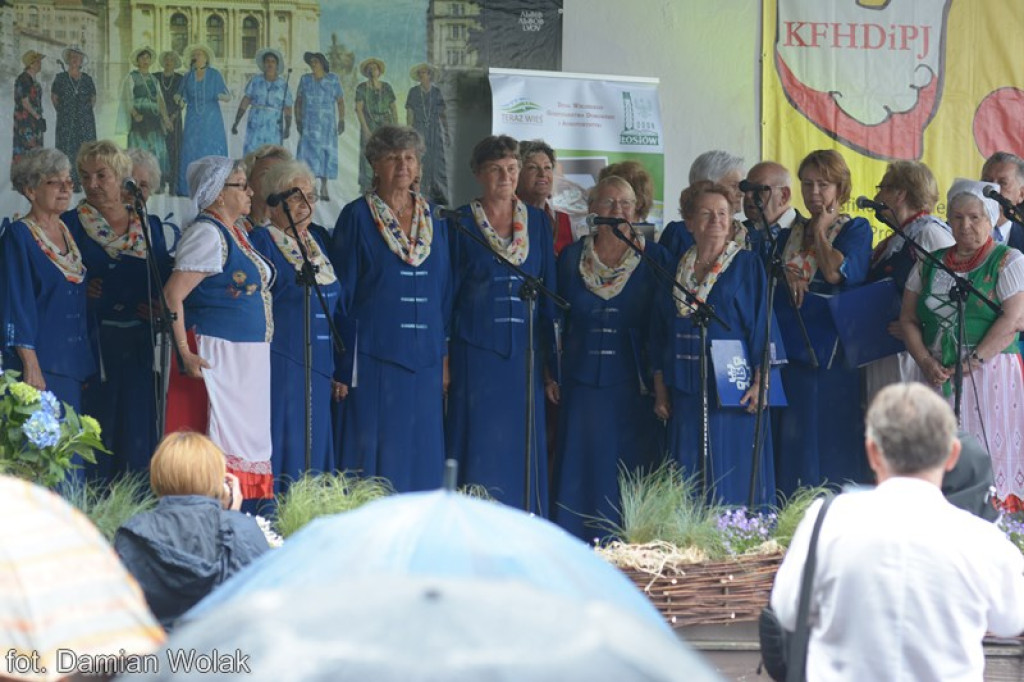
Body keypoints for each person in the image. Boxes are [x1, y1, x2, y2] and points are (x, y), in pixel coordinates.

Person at [770, 383, 1024, 682]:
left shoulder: (824, 521)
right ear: (953, 454)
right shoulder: (983, 540)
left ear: (872, 453)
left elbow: (786, 611)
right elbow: (1011, 620)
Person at [329, 126, 451, 493]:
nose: (403, 165)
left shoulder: (436, 219)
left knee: (421, 453)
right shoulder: (356, 216)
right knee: (374, 455)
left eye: (410, 158)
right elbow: (342, 294)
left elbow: (445, 291)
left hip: (425, 361)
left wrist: (444, 359)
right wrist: (343, 364)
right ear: (374, 165)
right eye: (393, 158)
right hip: (374, 357)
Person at [550, 176, 667, 538]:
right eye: (609, 203)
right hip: (581, 380)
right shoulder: (571, 257)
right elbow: (555, 319)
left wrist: (660, 382)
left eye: (626, 204)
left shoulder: (655, 258)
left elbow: (662, 325)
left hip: (633, 383)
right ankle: (575, 538)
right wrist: (551, 372)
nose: (618, 210)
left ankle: (629, 541)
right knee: (581, 461)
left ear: (636, 210)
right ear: (592, 209)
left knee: (629, 465)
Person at [447, 135, 556, 514]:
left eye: (511, 168)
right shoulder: (460, 222)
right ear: (478, 174)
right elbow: (448, 293)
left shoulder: (537, 222)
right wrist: (445, 358)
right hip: (475, 351)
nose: (506, 177)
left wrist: (551, 367)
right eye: (496, 169)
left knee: (519, 445)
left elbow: (549, 293)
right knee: (477, 442)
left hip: (525, 355)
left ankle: (523, 523)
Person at [900, 179, 1024, 508]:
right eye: (957, 217)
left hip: (990, 372)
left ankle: (991, 517)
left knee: (986, 449)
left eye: (974, 217)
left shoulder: (1008, 260)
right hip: (935, 372)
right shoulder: (929, 261)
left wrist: (972, 362)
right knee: (934, 453)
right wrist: (925, 361)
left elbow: (1013, 319)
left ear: (990, 219)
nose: (965, 225)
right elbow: (908, 319)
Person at [651, 181, 774, 506]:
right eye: (706, 214)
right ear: (689, 222)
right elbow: (658, 332)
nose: (716, 220)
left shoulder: (747, 265)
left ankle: (732, 532)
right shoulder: (675, 269)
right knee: (688, 471)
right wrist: (660, 388)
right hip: (684, 388)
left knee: (729, 468)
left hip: (733, 388)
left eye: (722, 213)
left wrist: (761, 382)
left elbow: (762, 325)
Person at [164, 156, 275, 509]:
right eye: (242, 185)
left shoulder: (237, 233)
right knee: (215, 439)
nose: (250, 192)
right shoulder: (208, 234)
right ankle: (210, 512)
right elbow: (172, 294)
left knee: (240, 442)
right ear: (217, 194)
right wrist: (185, 352)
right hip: (217, 352)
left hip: (244, 357)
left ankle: (234, 514)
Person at [63, 140, 173, 480]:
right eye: (85, 176)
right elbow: (55, 283)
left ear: (122, 176)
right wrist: (80, 292)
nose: (92, 184)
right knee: (97, 432)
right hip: (93, 347)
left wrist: (158, 305)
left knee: (137, 432)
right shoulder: (69, 224)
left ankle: (134, 504)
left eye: (102, 175)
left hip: (138, 346)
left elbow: (163, 277)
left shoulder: (149, 226)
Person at [774, 149, 872, 496]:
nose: (814, 192)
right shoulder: (789, 231)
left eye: (823, 184)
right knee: (793, 433)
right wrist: (787, 275)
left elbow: (833, 273)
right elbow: (773, 274)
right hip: (791, 345)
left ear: (840, 188)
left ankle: (831, 509)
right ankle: (791, 508)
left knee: (828, 434)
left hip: (833, 352)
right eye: (807, 184)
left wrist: (819, 230)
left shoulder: (855, 228)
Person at [114, 431, 270, 630]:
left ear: (158, 474)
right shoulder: (241, 529)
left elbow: (119, 612)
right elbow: (257, 606)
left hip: (156, 648)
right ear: (218, 479)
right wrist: (233, 518)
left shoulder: (132, 533)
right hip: (221, 648)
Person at [250, 160, 342, 491]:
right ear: (274, 202)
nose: (306, 204)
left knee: (314, 446)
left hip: (320, 366)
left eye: (311, 197)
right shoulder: (261, 242)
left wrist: (339, 368)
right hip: (282, 362)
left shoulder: (317, 243)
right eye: (296, 196)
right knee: (286, 443)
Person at [0, 148, 95, 409]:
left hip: (72, 366)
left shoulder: (67, 230)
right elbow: (16, 304)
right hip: (38, 368)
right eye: (54, 182)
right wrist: (30, 364)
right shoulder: (18, 236)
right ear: (31, 190)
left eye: (69, 181)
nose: (65, 189)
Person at [864, 161, 954, 399]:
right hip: (886, 350)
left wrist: (918, 327)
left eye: (882, 188)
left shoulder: (930, 233)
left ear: (900, 194)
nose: (877, 196)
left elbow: (953, 290)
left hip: (913, 355)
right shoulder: (898, 238)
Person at [660, 150, 746, 260]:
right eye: (734, 186)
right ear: (709, 186)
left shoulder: (751, 236)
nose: (741, 193)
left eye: (741, 186)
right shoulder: (678, 234)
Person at [177, 45, 229, 196]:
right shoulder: (188, 76)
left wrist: (219, 96)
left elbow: (227, 95)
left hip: (212, 118)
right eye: (195, 55)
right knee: (192, 148)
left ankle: (213, 186)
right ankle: (190, 187)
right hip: (193, 117)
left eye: (200, 54)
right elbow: (181, 94)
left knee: (210, 147)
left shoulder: (214, 74)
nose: (197, 57)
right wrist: (179, 100)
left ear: (206, 58)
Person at [295, 51, 345, 202]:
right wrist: (298, 120)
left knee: (325, 154)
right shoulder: (305, 79)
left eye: (316, 61)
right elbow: (298, 101)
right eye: (311, 62)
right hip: (309, 123)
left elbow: (340, 101)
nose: (313, 64)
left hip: (327, 125)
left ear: (322, 63)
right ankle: (312, 186)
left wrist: (341, 120)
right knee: (308, 154)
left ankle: (324, 186)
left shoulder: (333, 79)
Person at [120, 47, 171, 182]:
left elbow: (160, 100)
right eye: (142, 58)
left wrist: (165, 118)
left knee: (155, 147)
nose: (145, 61)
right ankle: (137, 179)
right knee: (139, 149)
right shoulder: (132, 77)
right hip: (140, 117)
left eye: (147, 58)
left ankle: (154, 180)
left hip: (153, 117)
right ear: (137, 61)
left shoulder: (154, 79)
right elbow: (127, 98)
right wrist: (135, 114)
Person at [50, 45, 97, 191]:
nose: (75, 59)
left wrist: (84, 112)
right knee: (66, 148)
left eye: (78, 57)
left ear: (82, 61)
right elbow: (54, 98)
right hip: (66, 121)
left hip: (85, 121)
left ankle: (83, 181)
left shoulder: (87, 79)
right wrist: (64, 112)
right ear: (68, 59)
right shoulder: (60, 78)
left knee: (84, 150)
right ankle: (68, 181)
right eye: (73, 57)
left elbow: (93, 98)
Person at [517, 139, 575, 254]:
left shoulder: (564, 220)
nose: (542, 174)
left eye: (547, 167)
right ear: (516, 174)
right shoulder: (505, 216)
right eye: (533, 167)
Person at [232, 48, 293, 157]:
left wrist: (288, 127)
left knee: (272, 154)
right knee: (252, 153)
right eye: (267, 61)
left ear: (277, 65)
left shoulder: (283, 84)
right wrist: (236, 121)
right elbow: (246, 100)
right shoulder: (255, 80)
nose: (270, 64)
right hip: (255, 123)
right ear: (264, 64)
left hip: (274, 125)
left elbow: (288, 107)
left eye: (273, 61)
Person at [405, 63, 449, 205]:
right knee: (420, 159)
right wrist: (409, 132)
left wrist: (447, 132)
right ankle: (418, 193)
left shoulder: (437, 92)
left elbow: (443, 114)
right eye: (420, 73)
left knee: (436, 162)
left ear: (430, 75)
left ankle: (437, 195)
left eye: (424, 72)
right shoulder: (413, 92)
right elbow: (410, 113)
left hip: (435, 131)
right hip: (418, 129)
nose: (421, 75)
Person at [741, 161, 803, 260]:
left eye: (759, 189)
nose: (748, 195)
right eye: (746, 188)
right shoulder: (736, 233)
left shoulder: (811, 234)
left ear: (784, 196)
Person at [355, 57, 398, 192]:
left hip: (386, 124)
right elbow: (359, 109)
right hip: (369, 123)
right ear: (366, 72)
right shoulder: (362, 88)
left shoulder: (386, 87)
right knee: (368, 153)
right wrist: (365, 129)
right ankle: (368, 185)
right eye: (369, 68)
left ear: (379, 71)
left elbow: (393, 108)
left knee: (387, 153)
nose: (372, 70)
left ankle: (386, 183)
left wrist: (395, 127)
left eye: (375, 68)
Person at [980, 151, 1024, 251]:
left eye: (1003, 183)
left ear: (1021, 194)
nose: (993, 188)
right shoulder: (955, 230)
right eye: (986, 181)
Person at [242, 144, 293, 230]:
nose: (273, 181)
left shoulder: (296, 229)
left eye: (280, 175)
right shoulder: (236, 229)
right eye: (265, 174)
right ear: (248, 181)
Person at [156, 51, 184, 195]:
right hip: (158, 118)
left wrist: (171, 119)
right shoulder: (155, 77)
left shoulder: (180, 79)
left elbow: (182, 101)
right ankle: (159, 183)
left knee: (174, 151)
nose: (168, 62)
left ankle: (173, 185)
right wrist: (163, 118)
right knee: (160, 151)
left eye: (171, 60)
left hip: (175, 120)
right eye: (166, 59)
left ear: (175, 63)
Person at [13, 50, 47, 166]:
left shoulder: (32, 79)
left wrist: (38, 118)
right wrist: (38, 118)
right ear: (31, 64)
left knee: (35, 153)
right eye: (38, 61)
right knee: (27, 151)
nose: (40, 64)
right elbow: (25, 102)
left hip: (33, 121)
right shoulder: (24, 79)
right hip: (26, 122)